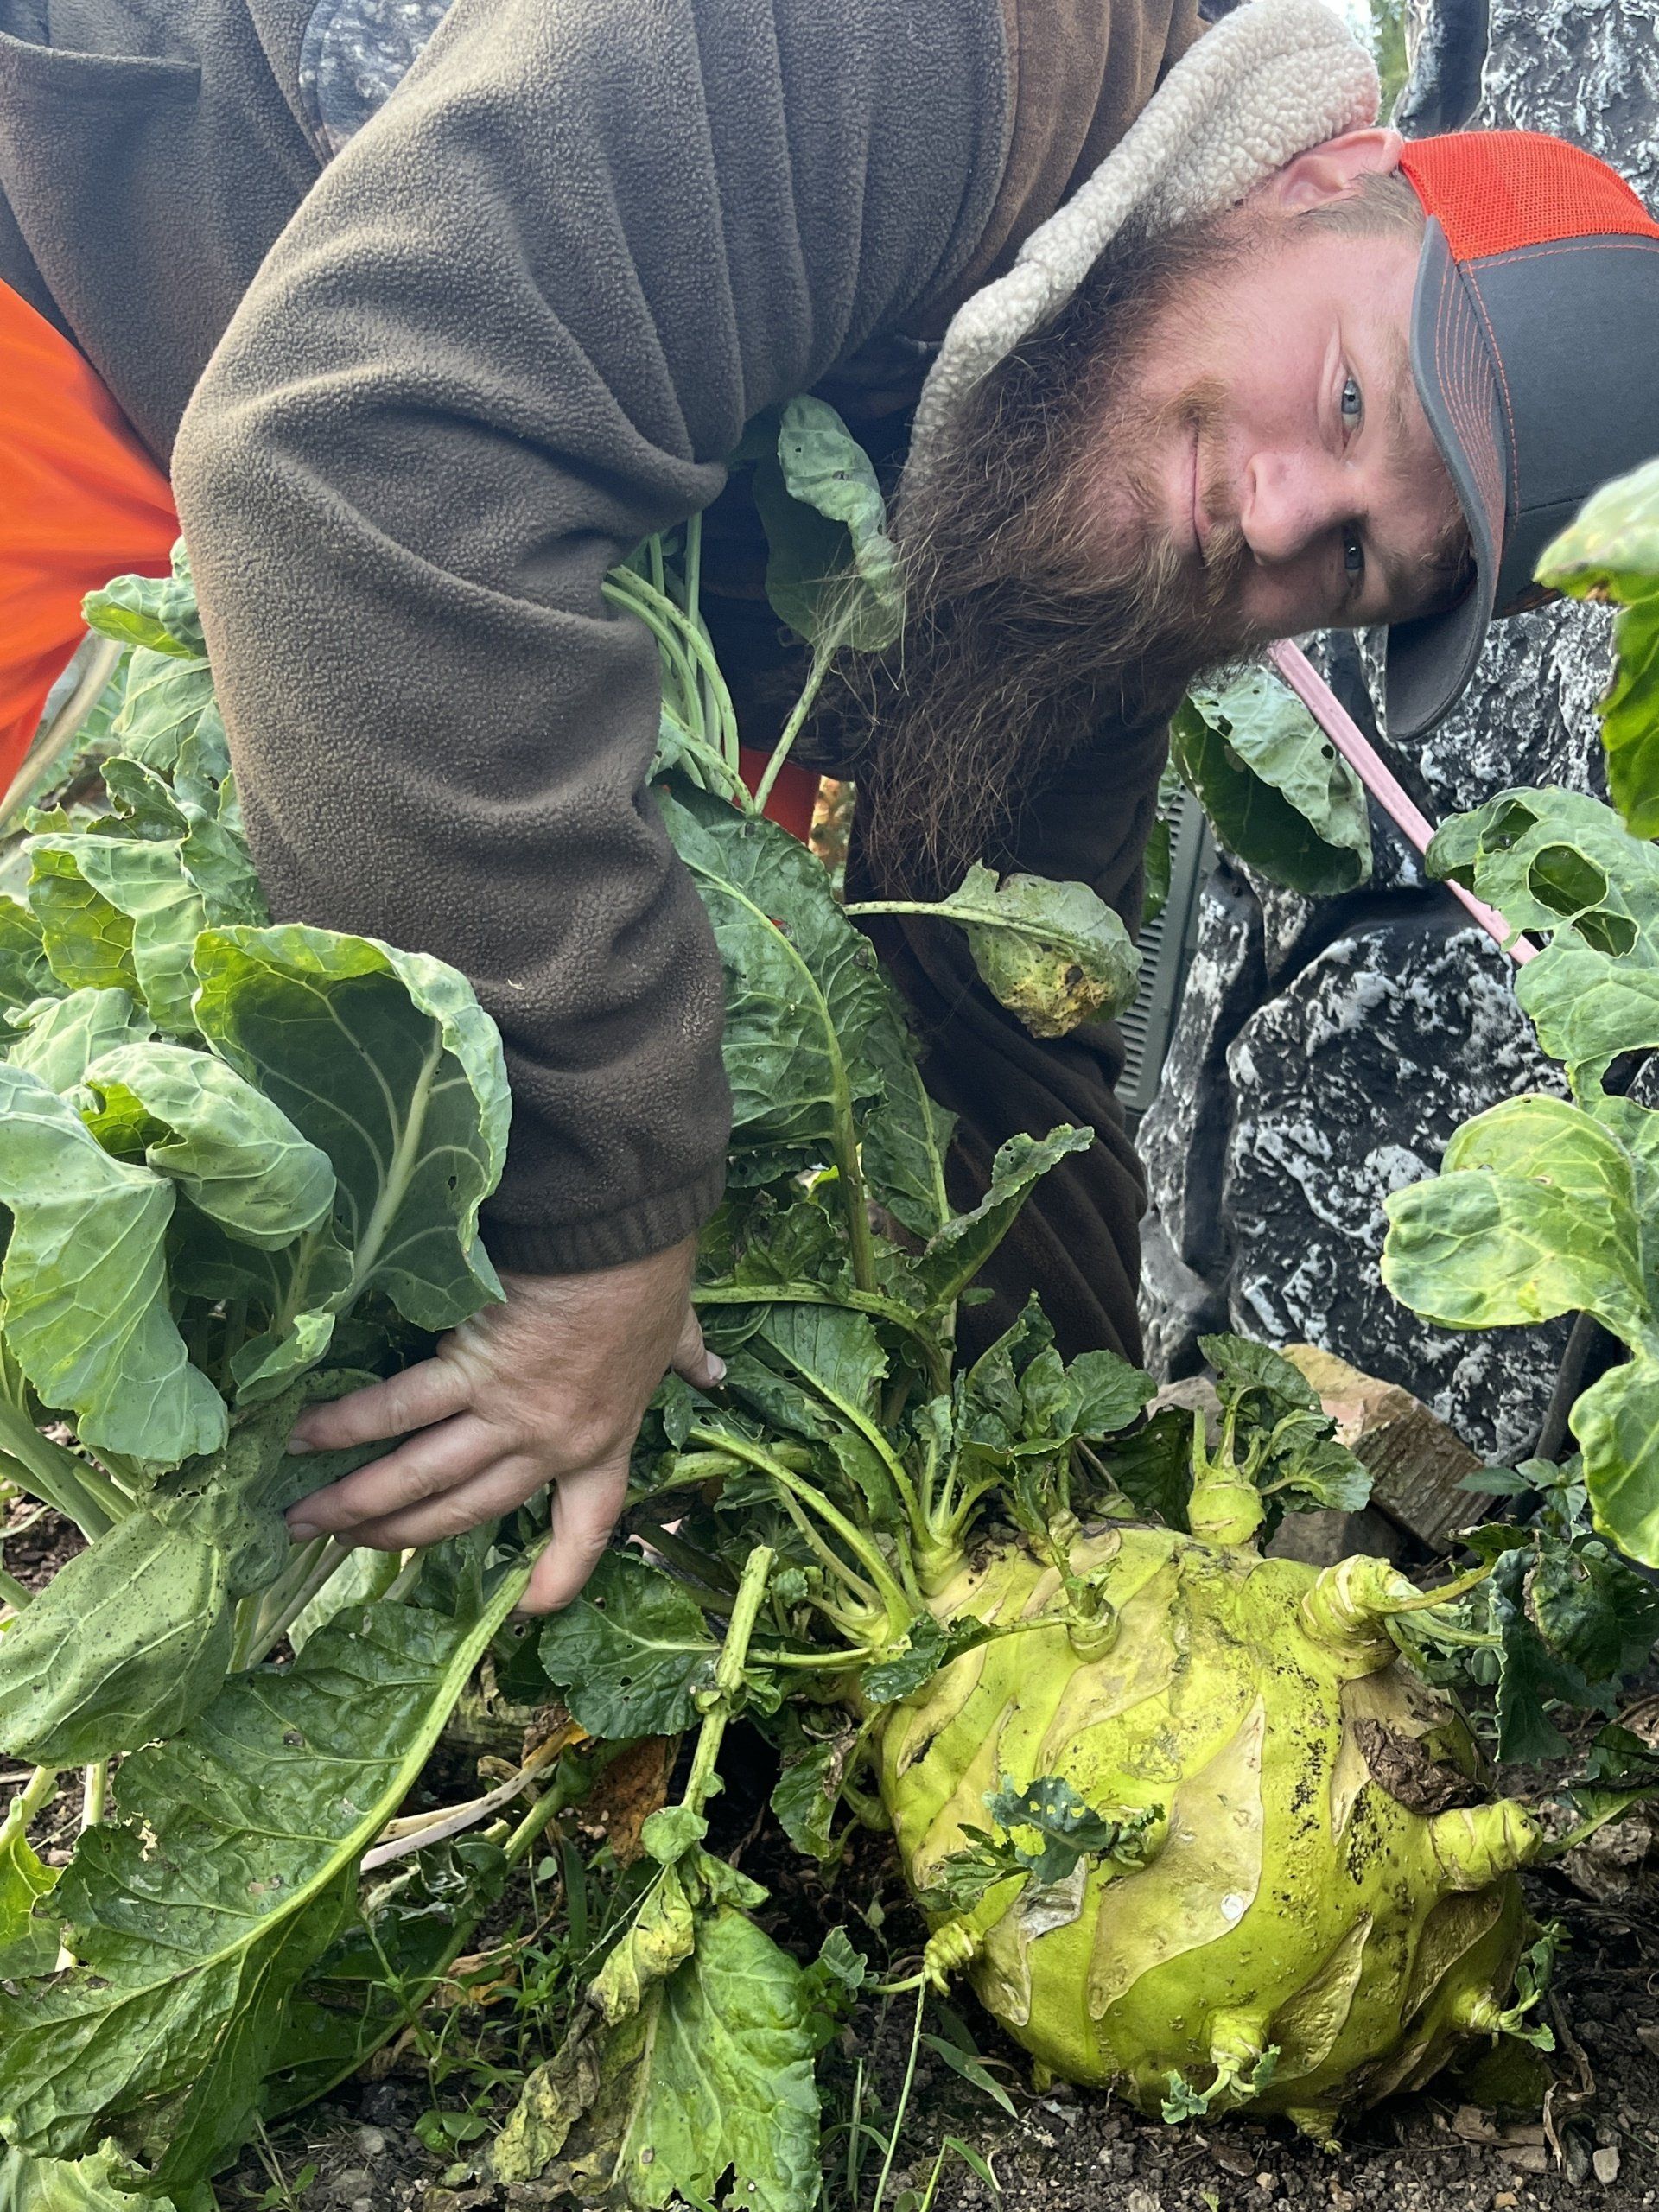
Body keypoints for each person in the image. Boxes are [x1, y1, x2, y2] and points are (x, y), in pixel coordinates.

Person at [2, 0, 1656, 1611]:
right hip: (108, 298)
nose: (1283, 512)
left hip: (343, 528)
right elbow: (346, 458)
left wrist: (1069, 1520)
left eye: (1361, 559)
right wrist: (605, 1222)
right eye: (1356, 398)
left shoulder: (1122, 520)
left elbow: (1001, 1014)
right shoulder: (940, 48)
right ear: (1317, 174)